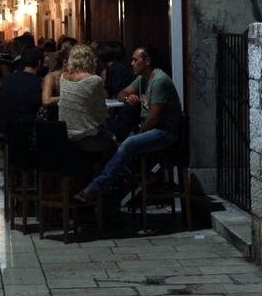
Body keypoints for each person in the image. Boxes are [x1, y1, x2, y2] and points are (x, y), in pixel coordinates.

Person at [73, 46, 182, 203]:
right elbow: (121, 94)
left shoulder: (159, 81)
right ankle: (145, 176)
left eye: (135, 60)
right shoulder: (142, 78)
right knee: (113, 143)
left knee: (129, 143)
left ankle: (94, 189)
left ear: (147, 61)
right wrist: (127, 98)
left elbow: (153, 118)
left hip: (164, 130)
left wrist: (137, 136)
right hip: (150, 127)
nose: (131, 63)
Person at [58, 44, 118, 160]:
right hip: (86, 137)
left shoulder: (63, 77)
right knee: (114, 144)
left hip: (66, 135)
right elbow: (101, 113)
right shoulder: (94, 80)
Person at [0, 47, 44, 142]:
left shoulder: (8, 78)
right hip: (27, 130)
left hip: (4, 128)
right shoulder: (39, 82)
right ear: (39, 63)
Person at [40, 45, 71, 121]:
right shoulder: (51, 77)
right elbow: (46, 101)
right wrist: (67, 97)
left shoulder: (72, 77)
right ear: (65, 62)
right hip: (50, 118)